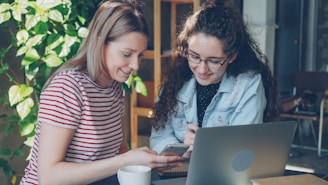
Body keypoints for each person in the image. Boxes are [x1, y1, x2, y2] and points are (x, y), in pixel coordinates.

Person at [20, 0, 183, 184]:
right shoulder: (67, 88)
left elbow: (118, 153)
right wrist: (127, 160)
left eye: (140, 55)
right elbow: (49, 177)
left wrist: (147, 162)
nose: (136, 65)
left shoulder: (114, 87)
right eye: (126, 54)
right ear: (100, 41)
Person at [150, 0, 279, 155]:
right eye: (194, 56)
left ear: (232, 56)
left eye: (214, 61)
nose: (202, 69)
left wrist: (206, 145)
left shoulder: (248, 85)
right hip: (179, 171)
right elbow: (158, 138)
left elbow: (243, 149)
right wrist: (180, 148)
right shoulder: (176, 79)